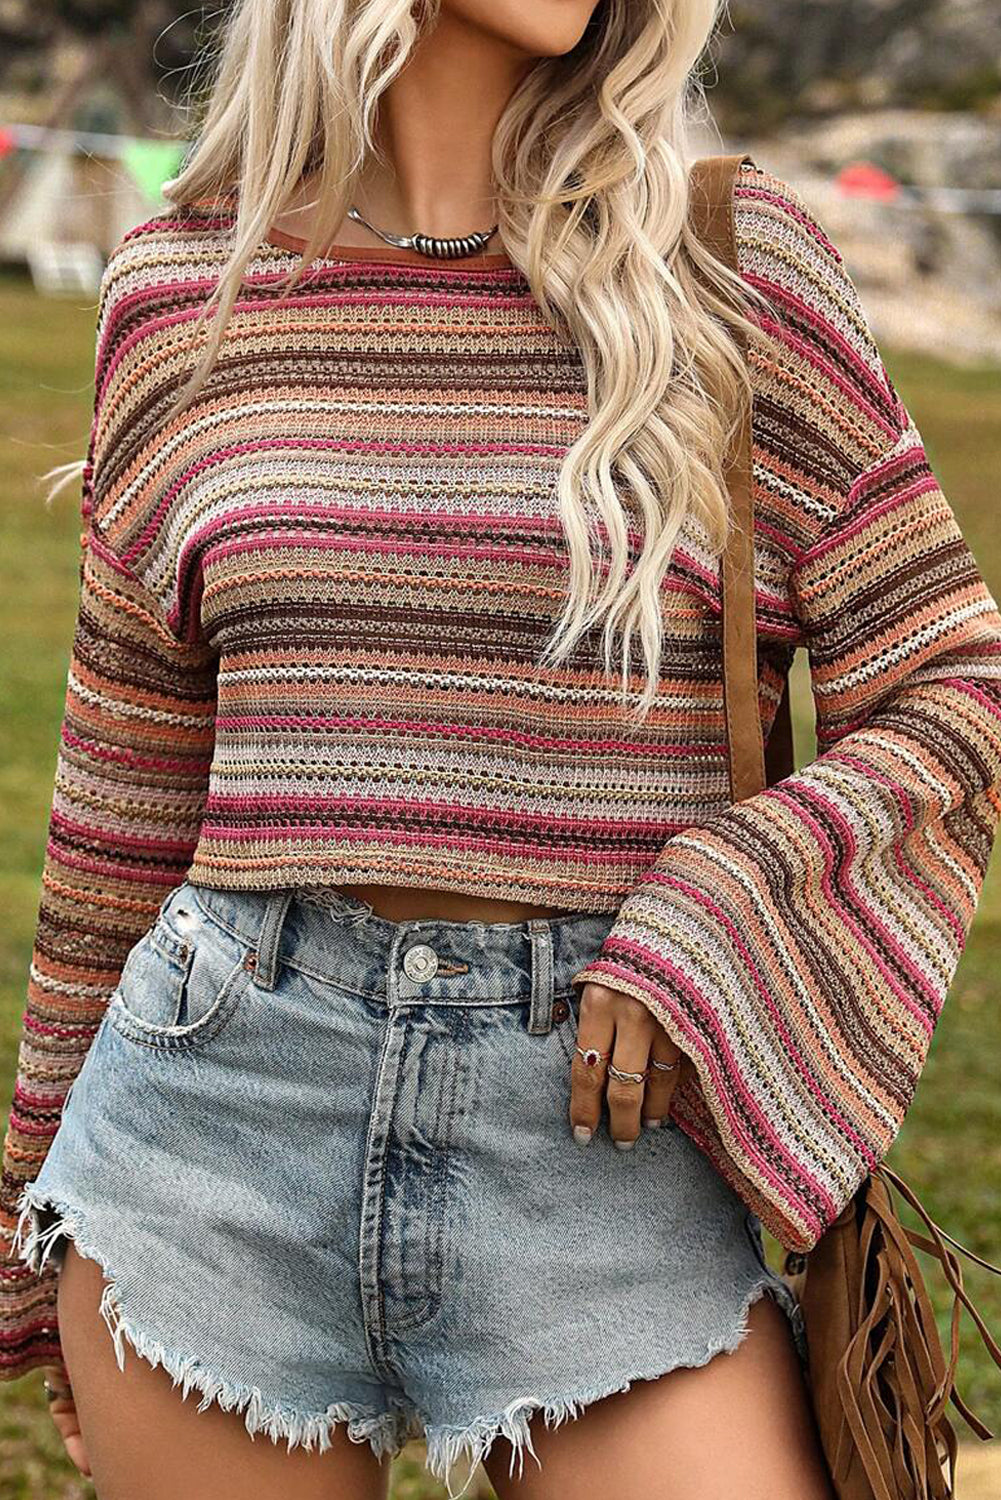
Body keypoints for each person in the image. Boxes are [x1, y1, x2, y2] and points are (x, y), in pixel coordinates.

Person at [3, 2, 1000, 1497]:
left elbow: (950, 685)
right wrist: (26, 1224)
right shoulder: (178, 291)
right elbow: (123, 801)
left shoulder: (729, 268)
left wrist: (720, 902)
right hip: (212, 1128)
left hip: (603, 1138)